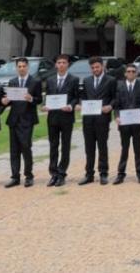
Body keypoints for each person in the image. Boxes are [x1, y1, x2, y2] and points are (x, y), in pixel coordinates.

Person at [2, 57, 42, 188]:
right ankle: (15, 177)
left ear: (28, 67)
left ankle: (29, 176)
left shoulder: (35, 81)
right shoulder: (12, 81)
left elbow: (39, 100)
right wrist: (6, 101)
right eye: (19, 66)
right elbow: (10, 100)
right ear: (16, 68)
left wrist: (31, 99)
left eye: (24, 66)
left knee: (26, 147)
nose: (21, 68)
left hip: (27, 119)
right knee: (14, 150)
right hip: (14, 119)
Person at [77, 57, 115, 186]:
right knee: (89, 147)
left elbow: (115, 97)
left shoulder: (111, 80)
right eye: (92, 68)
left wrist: (110, 106)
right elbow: (83, 96)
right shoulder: (86, 81)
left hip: (102, 118)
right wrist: (80, 104)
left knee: (102, 146)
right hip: (88, 119)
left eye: (97, 67)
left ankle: (103, 173)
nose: (95, 69)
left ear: (102, 66)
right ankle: (89, 174)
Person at [44, 54, 80, 187]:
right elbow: (47, 96)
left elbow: (76, 97)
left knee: (65, 146)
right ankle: (53, 173)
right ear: (56, 65)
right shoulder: (50, 80)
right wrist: (45, 105)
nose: (61, 65)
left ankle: (61, 173)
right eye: (59, 63)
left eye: (64, 62)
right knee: (53, 146)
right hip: (52, 117)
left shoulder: (74, 79)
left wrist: (71, 106)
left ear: (68, 64)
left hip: (66, 117)